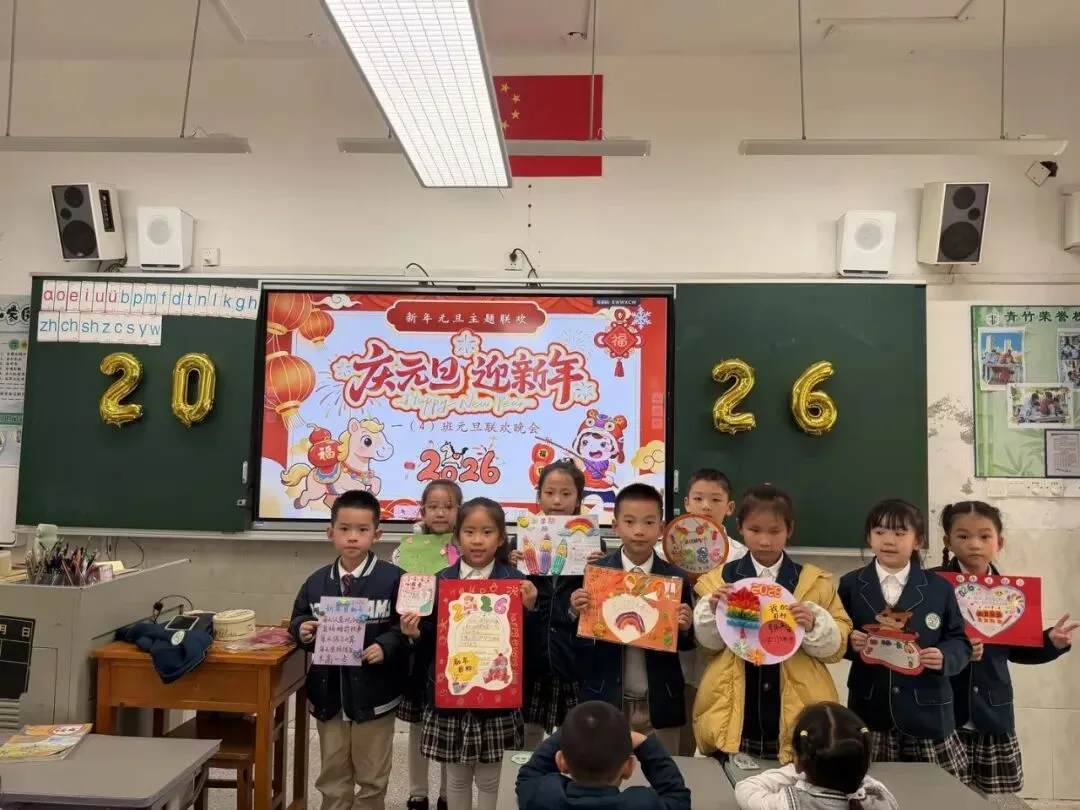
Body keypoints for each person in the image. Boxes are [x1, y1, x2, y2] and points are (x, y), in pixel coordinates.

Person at [693, 484, 851, 763]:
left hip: (796, 709)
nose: (764, 541)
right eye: (755, 530)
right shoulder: (721, 580)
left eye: (774, 531)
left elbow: (836, 646)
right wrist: (712, 611)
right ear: (740, 528)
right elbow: (708, 646)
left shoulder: (813, 583)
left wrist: (814, 623)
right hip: (733, 712)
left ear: (790, 530)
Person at [401, 497, 539, 810]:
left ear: (501, 538)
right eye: (469, 532)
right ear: (457, 536)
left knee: (491, 780)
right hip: (452, 697)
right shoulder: (440, 581)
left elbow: (527, 646)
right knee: (456, 778)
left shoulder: (516, 583)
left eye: (487, 532)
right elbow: (430, 641)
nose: (478, 540)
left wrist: (530, 609)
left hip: (497, 700)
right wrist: (415, 634)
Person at [936, 500, 1077, 797]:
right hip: (943, 707)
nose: (975, 544)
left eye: (985, 536)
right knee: (943, 794)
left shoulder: (1011, 593)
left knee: (986, 797)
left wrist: (1051, 641)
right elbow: (921, 640)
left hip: (991, 709)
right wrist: (955, 650)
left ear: (999, 542)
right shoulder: (932, 585)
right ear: (948, 541)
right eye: (963, 536)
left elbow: (1017, 650)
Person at [288, 489, 410, 810]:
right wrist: (301, 630)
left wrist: (385, 645)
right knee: (332, 776)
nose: (352, 537)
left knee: (372, 777)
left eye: (362, 529)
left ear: (377, 534)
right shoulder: (316, 582)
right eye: (344, 529)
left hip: (375, 696)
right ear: (330, 533)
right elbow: (298, 618)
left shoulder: (393, 579)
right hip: (328, 697)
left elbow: (409, 627)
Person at [838, 499, 972, 778]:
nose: (889, 541)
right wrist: (849, 642)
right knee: (874, 789)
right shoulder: (851, 584)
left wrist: (945, 656)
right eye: (879, 532)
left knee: (934, 790)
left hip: (928, 708)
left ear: (917, 540)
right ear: (869, 537)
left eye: (900, 533)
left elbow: (959, 641)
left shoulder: (939, 587)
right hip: (871, 709)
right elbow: (839, 633)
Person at [570, 483, 694, 754]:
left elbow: (686, 645)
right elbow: (578, 643)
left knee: (662, 771)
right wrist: (574, 612)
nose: (639, 530)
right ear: (615, 527)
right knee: (603, 771)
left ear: (661, 528)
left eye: (649, 522)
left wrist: (686, 627)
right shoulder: (597, 574)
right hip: (607, 698)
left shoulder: (675, 579)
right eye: (629, 522)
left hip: (660, 702)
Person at [512, 459, 605, 749]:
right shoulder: (519, 543)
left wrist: (602, 572)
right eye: (549, 493)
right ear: (538, 496)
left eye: (566, 494)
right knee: (527, 734)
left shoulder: (595, 545)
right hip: (533, 654)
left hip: (573, 654)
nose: (557, 501)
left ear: (578, 498)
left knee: (574, 736)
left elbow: (598, 605)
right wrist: (510, 567)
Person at [393, 481, 463, 810]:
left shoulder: (468, 547)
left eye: (448, 506)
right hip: (418, 646)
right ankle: (417, 793)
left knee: (451, 725)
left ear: (459, 510)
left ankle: (448, 795)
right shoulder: (405, 549)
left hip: (456, 644)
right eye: (433, 506)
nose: (440, 513)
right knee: (418, 724)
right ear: (422, 511)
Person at [675, 468, 747, 755]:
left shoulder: (741, 557)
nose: (706, 507)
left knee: (718, 745)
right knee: (680, 748)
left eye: (715, 500)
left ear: (729, 507)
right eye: (698, 499)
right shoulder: (667, 549)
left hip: (722, 668)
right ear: (686, 504)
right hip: (678, 667)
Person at [515, 700, 691, 810]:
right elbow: (677, 796)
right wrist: (646, 744)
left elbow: (530, 774)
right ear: (629, 767)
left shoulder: (542, 799)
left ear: (561, 761)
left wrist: (574, 733)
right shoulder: (644, 804)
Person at [733, 702, 898, 810]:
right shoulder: (880, 797)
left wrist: (797, 769)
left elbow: (746, 789)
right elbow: (861, 776)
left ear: (799, 760)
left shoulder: (789, 803)